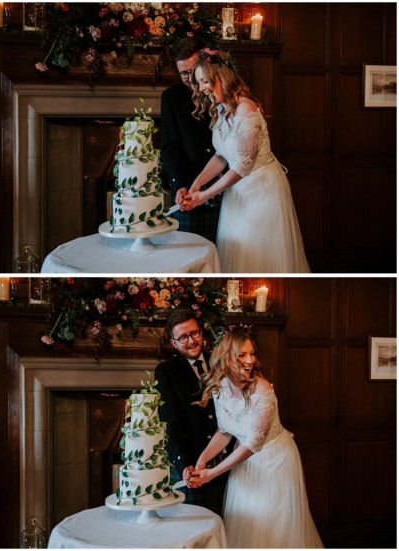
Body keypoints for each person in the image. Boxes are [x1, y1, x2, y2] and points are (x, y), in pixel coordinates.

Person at [187, 327, 323, 548]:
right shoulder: (219, 386)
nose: (249, 360)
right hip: (243, 462)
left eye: (252, 353)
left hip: (274, 461)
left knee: (271, 523)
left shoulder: (262, 389)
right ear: (225, 357)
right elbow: (225, 431)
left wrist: (211, 473)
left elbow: (253, 443)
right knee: (246, 519)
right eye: (242, 355)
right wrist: (201, 462)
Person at [178, 48, 311, 273]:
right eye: (198, 83)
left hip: (262, 191)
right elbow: (222, 155)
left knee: (258, 253)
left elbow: (242, 166)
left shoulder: (246, 109)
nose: (200, 88)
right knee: (238, 249)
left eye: (203, 81)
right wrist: (197, 184)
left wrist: (205, 196)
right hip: (237, 191)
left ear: (219, 76)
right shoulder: (221, 108)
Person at [155, 308, 228, 517]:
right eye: (183, 337)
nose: (191, 341)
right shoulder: (166, 371)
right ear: (174, 343)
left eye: (194, 333)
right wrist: (185, 464)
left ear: (201, 333)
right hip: (193, 465)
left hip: (226, 463)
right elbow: (170, 422)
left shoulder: (220, 362)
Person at [160, 38, 221, 243]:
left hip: (227, 184)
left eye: (192, 70)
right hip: (189, 188)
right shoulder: (171, 97)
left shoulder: (221, 90)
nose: (189, 78)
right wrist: (179, 185)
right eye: (183, 73)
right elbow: (170, 148)